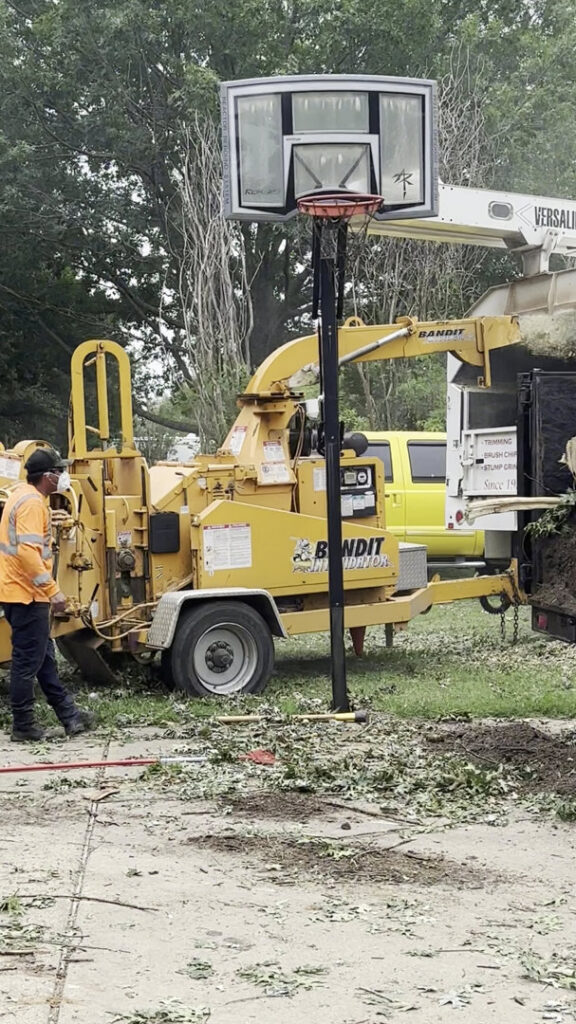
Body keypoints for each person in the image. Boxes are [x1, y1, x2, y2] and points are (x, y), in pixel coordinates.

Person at [0, 448, 94, 742]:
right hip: (27, 596)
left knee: (44, 660)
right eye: (60, 470)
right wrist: (53, 591)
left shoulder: (22, 495)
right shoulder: (31, 504)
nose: (64, 475)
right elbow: (28, 554)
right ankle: (24, 726)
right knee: (28, 663)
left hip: (21, 593)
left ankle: (69, 716)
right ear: (49, 476)